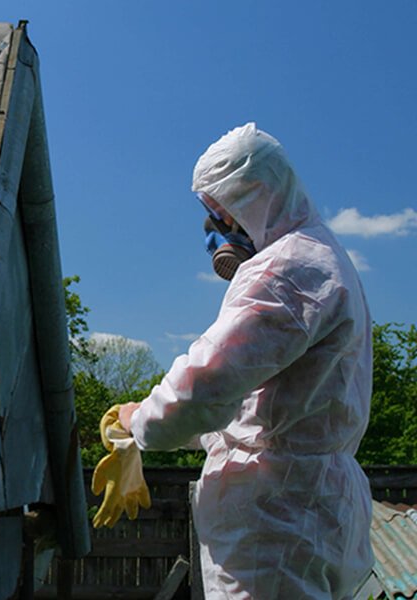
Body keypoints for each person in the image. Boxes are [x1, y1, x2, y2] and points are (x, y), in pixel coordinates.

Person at [117, 123, 374, 599]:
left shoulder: (285, 271)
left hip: (275, 522)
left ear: (252, 198)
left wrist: (140, 423)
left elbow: (201, 388)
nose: (217, 229)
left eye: (220, 211)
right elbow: (261, 413)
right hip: (311, 509)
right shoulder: (324, 258)